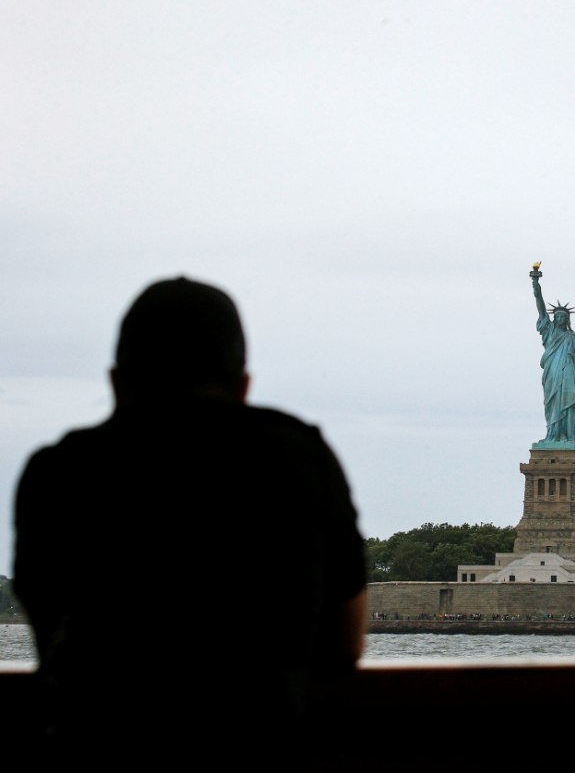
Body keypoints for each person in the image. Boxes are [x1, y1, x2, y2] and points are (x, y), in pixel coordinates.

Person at [13, 276, 368, 767]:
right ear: (243, 386)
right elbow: (345, 644)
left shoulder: (55, 472)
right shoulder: (301, 458)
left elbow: (50, 634)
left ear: (116, 382)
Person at [530, 266, 575, 447]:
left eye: (562, 317)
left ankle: (571, 437)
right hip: (553, 373)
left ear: (567, 320)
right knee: (553, 404)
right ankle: (553, 435)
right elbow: (541, 308)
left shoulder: (572, 337)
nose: (559, 319)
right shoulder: (549, 331)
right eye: (557, 316)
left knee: (569, 404)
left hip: (569, 376)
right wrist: (536, 283)